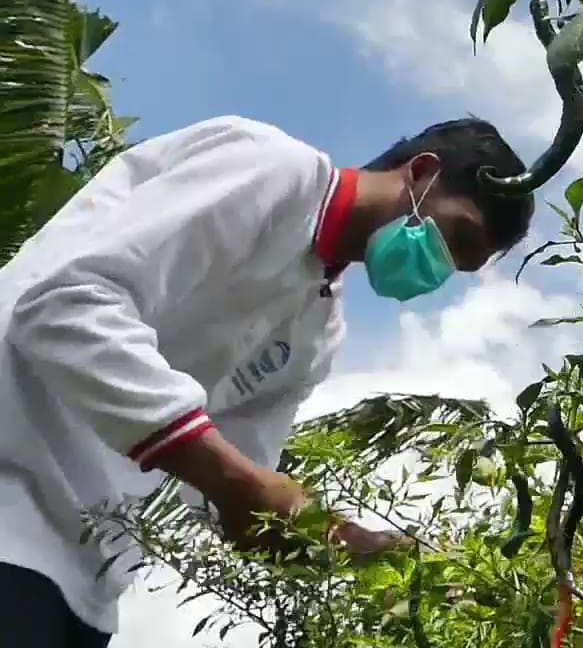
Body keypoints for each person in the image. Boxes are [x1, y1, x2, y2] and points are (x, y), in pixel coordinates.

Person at [0, 115, 536, 646]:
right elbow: (63, 305)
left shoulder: (317, 333)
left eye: (459, 265)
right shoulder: (272, 172)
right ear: (420, 172)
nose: (439, 266)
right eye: (456, 235)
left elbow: (235, 493)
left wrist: (352, 546)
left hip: (86, 582)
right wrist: (236, 481)